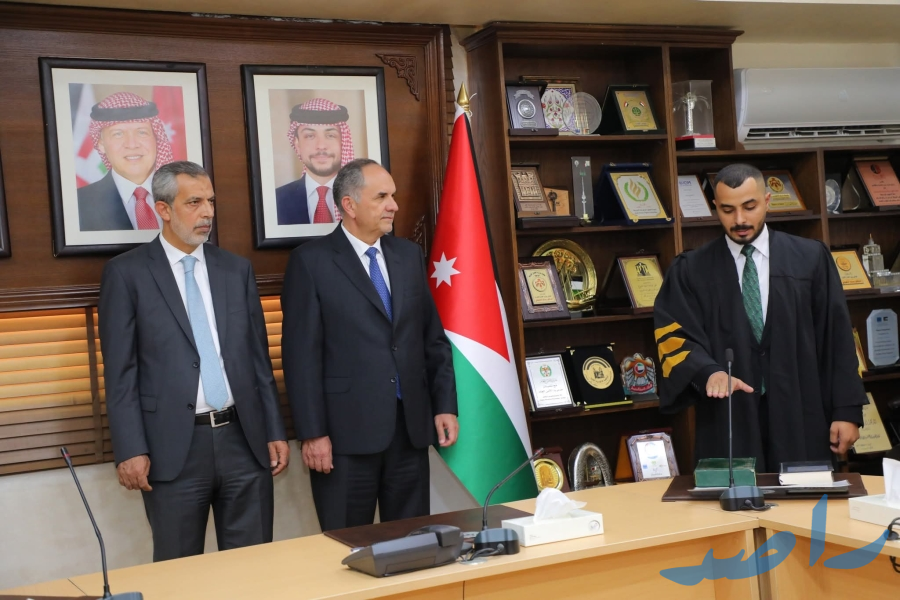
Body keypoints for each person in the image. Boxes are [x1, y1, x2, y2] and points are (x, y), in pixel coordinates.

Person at [98, 161, 289, 561]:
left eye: (211, 202)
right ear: (163, 209)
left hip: (244, 440)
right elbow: (120, 373)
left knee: (252, 568)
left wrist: (274, 430)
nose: (207, 213)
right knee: (178, 570)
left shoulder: (235, 269)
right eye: (194, 202)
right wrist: (130, 448)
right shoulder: (127, 274)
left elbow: (258, 359)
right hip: (172, 448)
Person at [281, 158, 459, 531]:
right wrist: (313, 433)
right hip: (344, 439)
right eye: (381, 197)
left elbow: (432, 338)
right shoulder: (310, 262)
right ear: (349, 204)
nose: (394, 205)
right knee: (348, 546)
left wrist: (444, 405)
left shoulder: (407, 255)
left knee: (412, 543)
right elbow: (301, 358)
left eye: (392, 196)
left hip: (409, 431)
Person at [654, 163, 866, 472]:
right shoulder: (692, 270)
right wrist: (707, 373)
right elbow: (673, 334)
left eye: (749, 206)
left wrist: (847, 411)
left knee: (803, 498)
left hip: (801, 411)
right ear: (715, 207)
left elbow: (837, 338)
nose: (739, 220)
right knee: (735, 498)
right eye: (727, 210)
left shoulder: (810, 259)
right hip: (728, 417)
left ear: (767, 201)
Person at [78, 92, 175, 232]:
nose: (132, 144)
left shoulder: (184, 195)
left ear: (156, 138)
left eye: (141, 132)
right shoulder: (79, 204)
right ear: (101, 144)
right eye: (118, 134)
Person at [275, 98, 354, 225]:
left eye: (330, 135)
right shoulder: (276, 200)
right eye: (310, 136)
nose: (321, 146)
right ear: (297, 144)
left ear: (343, 142)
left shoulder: (363, 197)